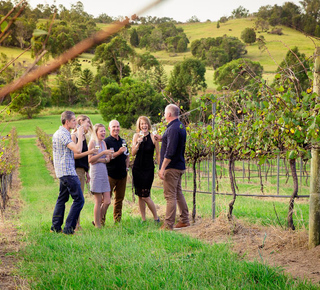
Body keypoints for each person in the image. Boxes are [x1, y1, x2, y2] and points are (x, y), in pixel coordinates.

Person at [155, 104, 190, 230]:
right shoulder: (179, 126)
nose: (164, 115)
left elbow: (170, 151)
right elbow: (172, 142)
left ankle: (168, 224)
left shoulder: (172, 129)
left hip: (172, 167)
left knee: (170, 196)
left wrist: (162, 168)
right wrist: (162, 138)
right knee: (178, 193)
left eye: (165, 113)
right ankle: (185, 220)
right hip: (179, 165)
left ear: (169, 114)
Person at [51, 111, 85, 235]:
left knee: (62, 198)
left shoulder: (60, 133)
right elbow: (77, 149)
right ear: (67, 122)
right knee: (79, 200)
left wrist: (75, 133)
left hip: (62, 171)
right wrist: (80, 135)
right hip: (68, 172)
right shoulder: (63, 134)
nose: (76, 122)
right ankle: (68, 229)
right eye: (74, 120)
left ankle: (55, 227)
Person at [131, 116, 160, 223]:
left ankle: (156, 218)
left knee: (146, 195)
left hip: (148, 169)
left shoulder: (153, 137)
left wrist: (160, 167)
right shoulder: (136, 136)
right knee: (139, 195)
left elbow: (158, 153)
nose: (144, 126)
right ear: (139, 126)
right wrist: (138, 142)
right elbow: (133, 153)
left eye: (146, 123)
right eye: (142, 124)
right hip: (137, 168)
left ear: (148, 125)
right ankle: (143, 219)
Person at [71, 115, 97, 230]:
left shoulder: (82, 137)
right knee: (78, 198)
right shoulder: (74, 136)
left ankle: (77, 224)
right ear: (80, 122)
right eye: (87, 124)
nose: (89, 126)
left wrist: (86, 171)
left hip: (82, 170)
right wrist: (90, 152)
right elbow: (75, 155)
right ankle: (75, 225)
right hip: (76, 170)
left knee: (80, 198)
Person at [104, 120, 129, 223]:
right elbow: (108, 156)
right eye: (114, 127)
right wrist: (119, 152)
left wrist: (127, 167)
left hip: (122, 175)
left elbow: (127, 156)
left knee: (119, 199)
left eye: (117, 126)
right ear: (109, 128)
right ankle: (100, 220)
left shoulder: (123, 141)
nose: (116, 129)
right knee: (106, 200)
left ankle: (117, 220)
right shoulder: (106, 142)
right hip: (110, 174)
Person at [88, 124, 112, 228]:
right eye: (101, 131)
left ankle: (97, 219)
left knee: (107, 201)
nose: (103, 133)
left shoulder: (104, 143)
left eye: (104, 131)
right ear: (96, 132)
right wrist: (102, 155)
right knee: (98, 201)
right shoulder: (92, 143)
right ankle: (98, 224)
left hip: (103, 173)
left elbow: (108, 159)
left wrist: (99, 159)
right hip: (96, 173)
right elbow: (90, 160)